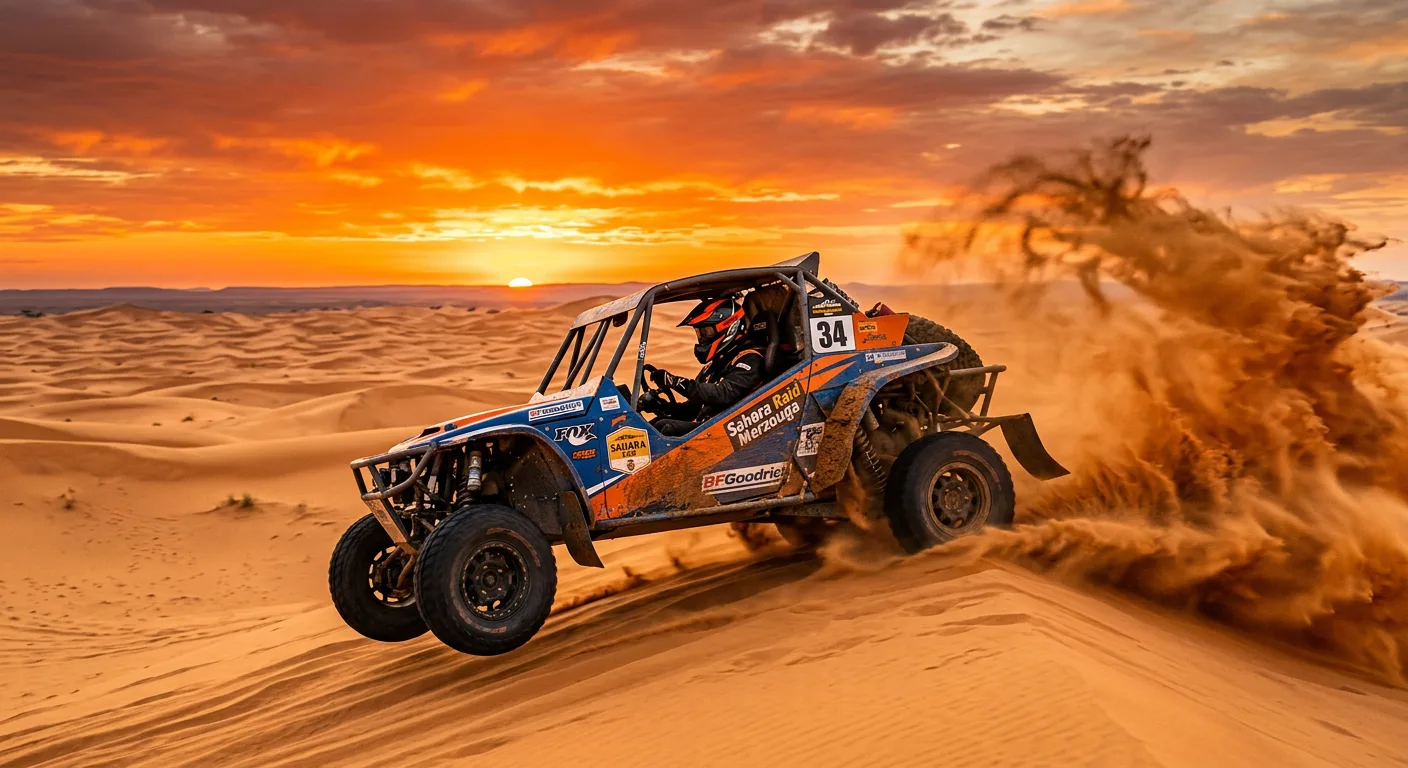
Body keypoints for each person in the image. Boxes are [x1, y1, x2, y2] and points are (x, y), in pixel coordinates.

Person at [644, 294, 767, 437]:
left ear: (728, 326)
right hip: (710, 427)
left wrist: (675, 382)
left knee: (664, 428)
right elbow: (692, 409)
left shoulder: (749, 358)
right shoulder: (716, 364)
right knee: (653, 426)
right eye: (699, 333)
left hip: (731, 432)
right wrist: (660, 405)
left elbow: (724, 394)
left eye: (706, 332)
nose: (702, 338)